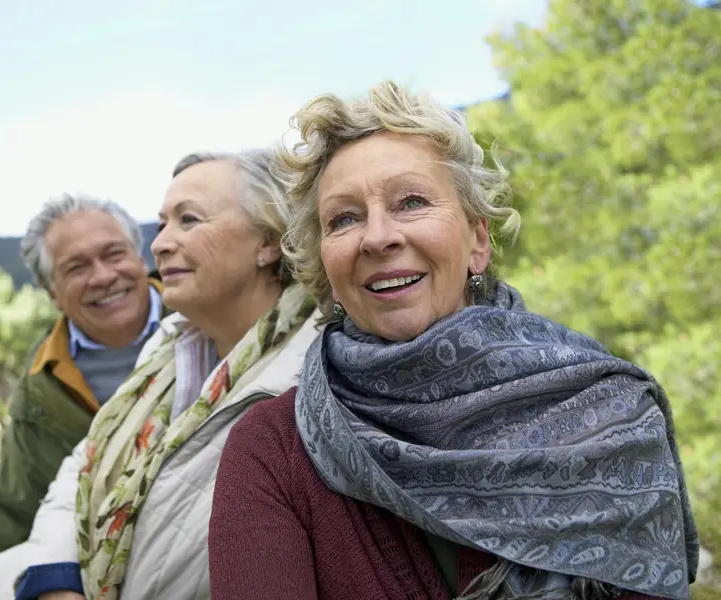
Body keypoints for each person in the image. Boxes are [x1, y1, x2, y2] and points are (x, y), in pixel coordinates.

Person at [208, 82, 699, 600]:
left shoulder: (611, 414)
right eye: (344, 218)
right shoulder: (273, 448)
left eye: (412, 201)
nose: (378, 237)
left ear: (477, 242)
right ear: (326, 264)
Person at [0, 149, 319, 600]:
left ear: (268, 240)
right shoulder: (167, 351)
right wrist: (52, 580)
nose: (158, 244)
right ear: (52, 294)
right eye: (162, 225)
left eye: (189, 220)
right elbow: (70, 476)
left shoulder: (312, 377)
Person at [0, 194, 166, 575]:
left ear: (140, 259)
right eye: (76, 267)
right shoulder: (42, 385)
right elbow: (8, 505)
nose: (103, 276)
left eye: (114, 254)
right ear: (53, 293)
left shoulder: (204, 316)